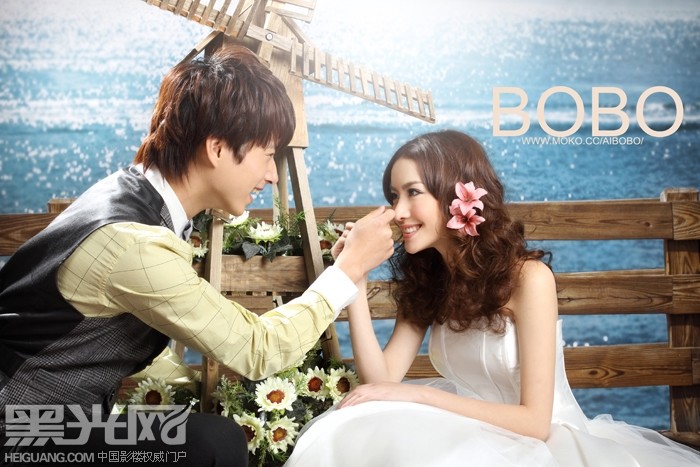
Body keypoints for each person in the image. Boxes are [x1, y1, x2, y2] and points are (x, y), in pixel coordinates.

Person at [0, 45, 395, 466]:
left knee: (203, 438)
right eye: (266, 155)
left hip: (55, 419)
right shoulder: (134, 242)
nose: (270, 175)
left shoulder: (130, 194)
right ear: (217, 148)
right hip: (23, 429)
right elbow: (258, 349)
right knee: (214, 443)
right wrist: (350, 267)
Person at [285, 130, 700, 467]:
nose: (398, 211)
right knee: (348, 428)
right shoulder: (431, 277)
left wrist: (418, 394)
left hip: (536, 444)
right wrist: (355, 277)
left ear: (456, 197)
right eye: (394, 196)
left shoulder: (529, 279)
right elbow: (382, 381)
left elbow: (535, 423)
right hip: (469, 429)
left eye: (413, 192)